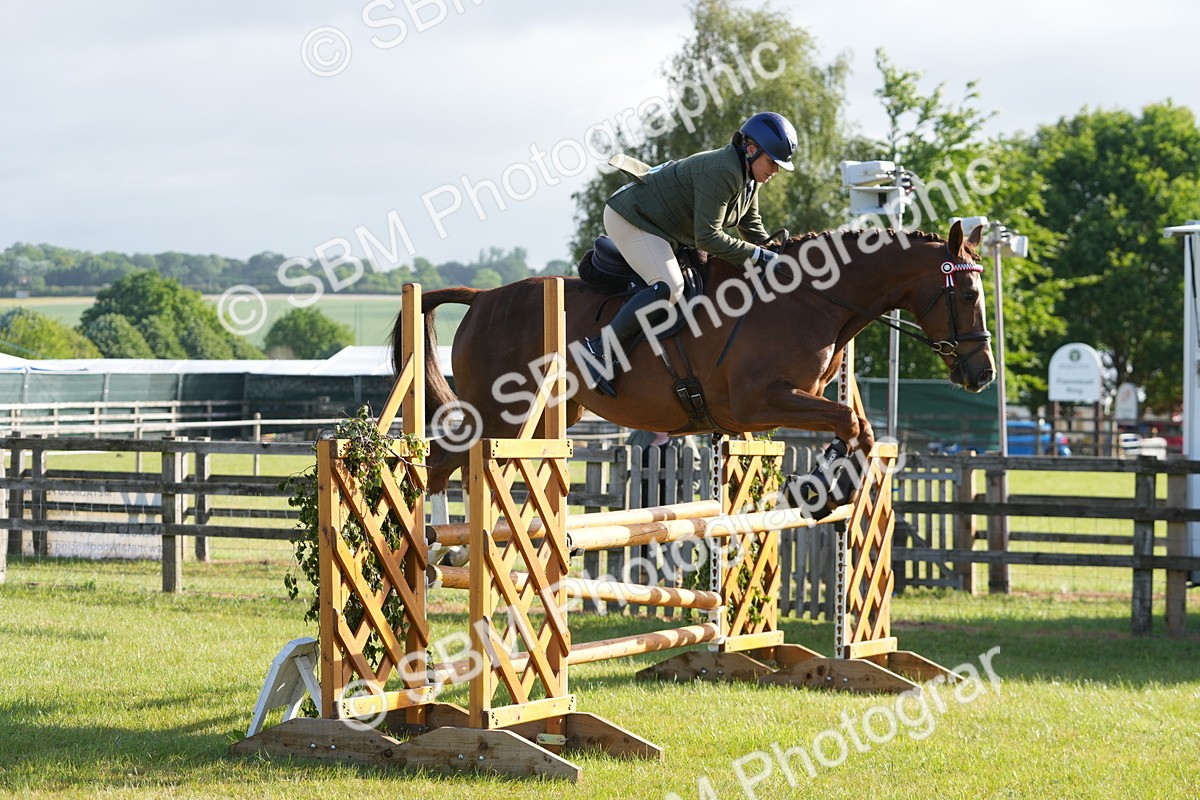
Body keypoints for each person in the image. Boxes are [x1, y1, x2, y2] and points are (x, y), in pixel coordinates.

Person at [583, 111, 799, 397]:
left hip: (662, 225)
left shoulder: (748, 177)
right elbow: (707, 237)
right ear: (751, 149)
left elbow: (751, 226)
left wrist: (778, 255)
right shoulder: (724, 171)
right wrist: (759, 258)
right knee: (669, 287)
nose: (775, 171)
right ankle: (598, 350)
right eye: (772, 162)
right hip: (632, 217)